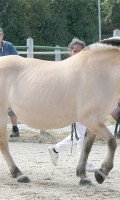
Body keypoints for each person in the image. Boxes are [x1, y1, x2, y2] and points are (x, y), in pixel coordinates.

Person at [47, 38, 96, 172]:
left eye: (79, 51)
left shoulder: (87, 67)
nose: (77, 54)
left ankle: (56, 150)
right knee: (82, 132)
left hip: (83, 103)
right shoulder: (66, 66)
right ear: (70, 52)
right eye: (74, 51)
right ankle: (82, 162)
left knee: (80, 133)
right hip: (72, 103)